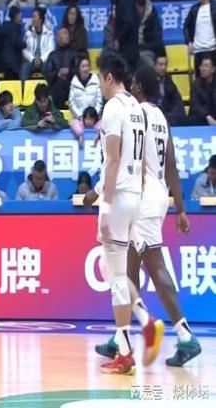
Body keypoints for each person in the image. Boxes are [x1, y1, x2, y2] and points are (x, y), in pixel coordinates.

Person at [91, 64, 201, 367]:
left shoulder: (135, 113)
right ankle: (121, 337)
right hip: (159, 195)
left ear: (138, 87)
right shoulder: (161, 117)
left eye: (134, 84)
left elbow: (123, 161)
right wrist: (180, 208)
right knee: (127, 269)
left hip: (142, 196)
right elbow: (172, 165)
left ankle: (184, 335)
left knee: (150, 267)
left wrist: (102, 193)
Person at [89, 55, 163, 375]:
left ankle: (125, 351)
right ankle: (144, 322)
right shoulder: (137, 107)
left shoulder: (113, 108)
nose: (99, 85)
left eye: (99, 79)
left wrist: (104, 207)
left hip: (118, 197)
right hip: (135, 196)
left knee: (117, 278)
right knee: (116, 272)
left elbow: (113, 160)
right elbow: (143, 160)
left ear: (108, 77)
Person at [183, 0, 216, 77]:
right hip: (198, 50)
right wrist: (189, 42)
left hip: (213, 49)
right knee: (199, 78)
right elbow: (185, 26)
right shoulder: (194, 9)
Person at [69, 57, 103, 145]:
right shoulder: (74, 83)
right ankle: (80, 136)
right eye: (83, 66)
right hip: (81, 119)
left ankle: (98, 135)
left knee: (103, 123)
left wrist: (94, 116)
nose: (85, 69)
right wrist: (81, 116)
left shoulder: (96, 81)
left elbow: (99, 101)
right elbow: (71, 103)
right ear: (79, 69)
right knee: (73, 123)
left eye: (87, 66)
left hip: (94, 118)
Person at [45, 27, 79, 108]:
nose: (67, 36)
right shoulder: (52, 55)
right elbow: (48, 74)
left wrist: (69, 72)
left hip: (71, 85)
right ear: (58, 38)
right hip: (56, 88)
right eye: (64, 34)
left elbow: (78, 71)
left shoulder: (74, 54)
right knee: (58, 84)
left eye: (67, 34)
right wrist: (58, 73)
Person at [111, 0, 139, 72]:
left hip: (127, 49)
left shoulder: (123, 0)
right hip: (132, 47)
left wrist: (118, 38)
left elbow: (128, 22)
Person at [22, 7, 55, 82]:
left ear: (40, 19)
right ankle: (23, 89)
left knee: (48, 68)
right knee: (24, 68)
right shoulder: (28, 33)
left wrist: (41, 60)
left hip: (44, 61)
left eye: (35, 17)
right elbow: (24, 50)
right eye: (32, 17)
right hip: (31, 61)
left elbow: (51, 49)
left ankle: (50, 88)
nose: (33, 19)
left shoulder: (49, 33)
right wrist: (33, 59)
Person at [155, 56, 186, 127]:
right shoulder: (149, 82)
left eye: (165, 64)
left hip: (168, 116)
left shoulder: (170, 82)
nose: (163, 67)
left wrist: (170, 116)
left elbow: (178, 103)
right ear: (155, 66)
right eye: (160, 65)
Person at [136, 0, 165, 67]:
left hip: (152, 50)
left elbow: (157, 42)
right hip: (135, 49)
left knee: (143, 57)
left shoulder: (153, 20)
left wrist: (141, 48)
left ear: (143, 7)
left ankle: (151, 74)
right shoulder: (132, 17)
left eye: (136, 8)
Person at [0, 6, 24, 79]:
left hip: (3, 61)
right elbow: (16, 42)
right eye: (20, 15)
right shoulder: (15, 28)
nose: (21, 17)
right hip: (13, 64)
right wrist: (24, 44)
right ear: (16, 15)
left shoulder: (4, 25)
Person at [189, 55, 216, 126]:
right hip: (202, 118)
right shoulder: (196, 84)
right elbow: (195, 105)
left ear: (213, 69)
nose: (203, 69)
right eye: (202, 66)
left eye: (206, 66)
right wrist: (207, 116)